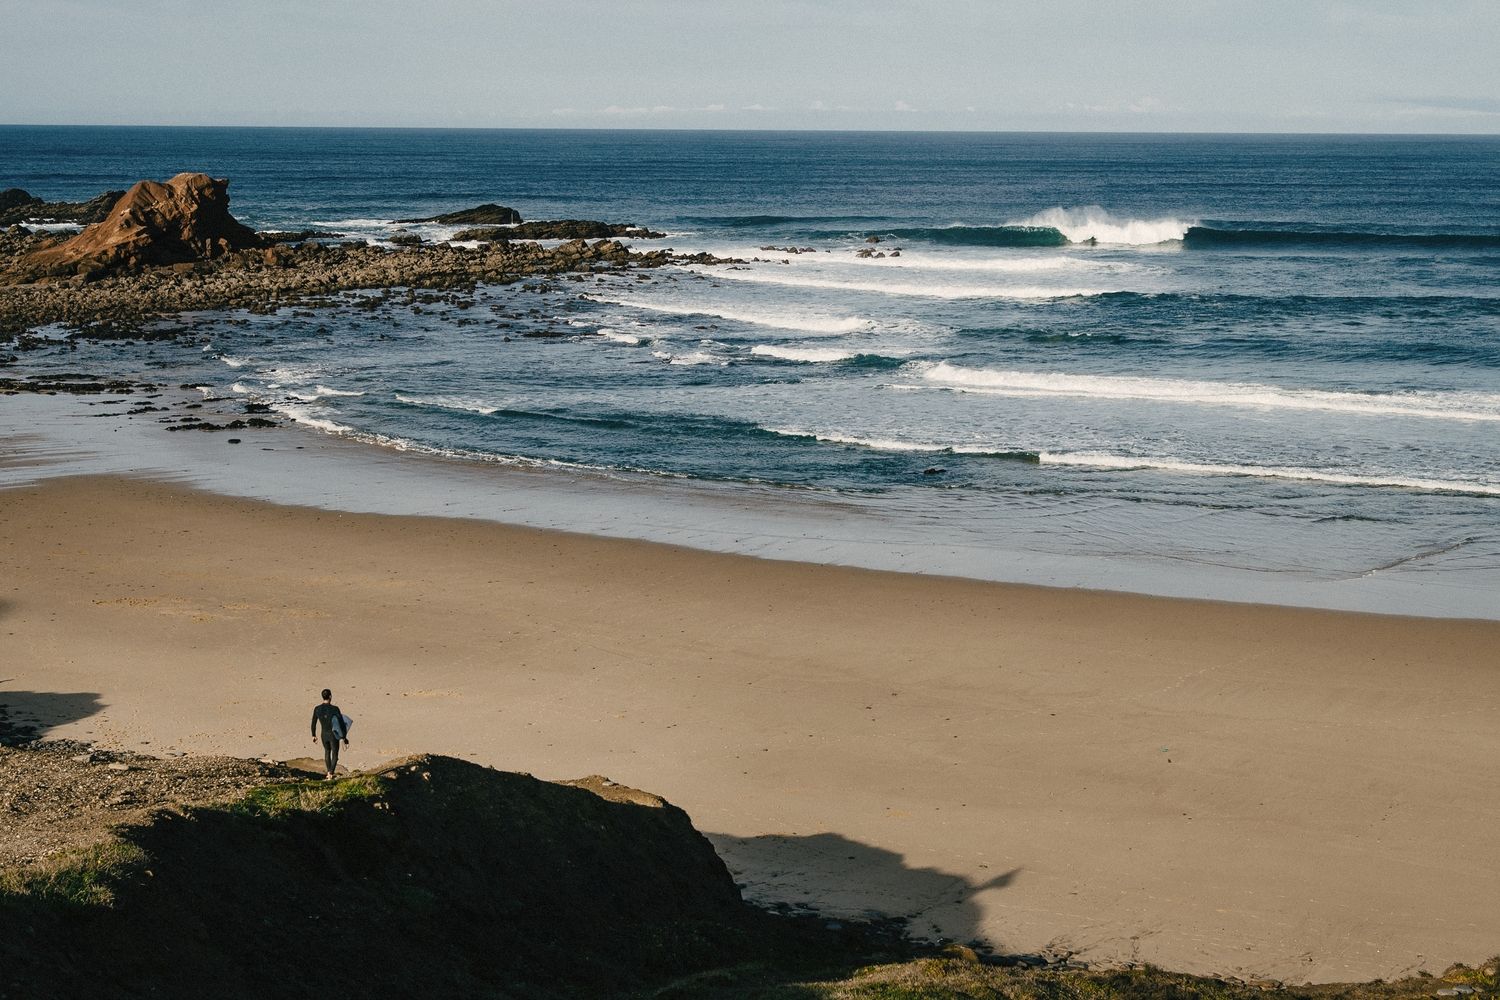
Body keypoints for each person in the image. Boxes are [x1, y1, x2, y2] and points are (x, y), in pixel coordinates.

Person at [310, 688, 348, 780]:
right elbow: (341, 723)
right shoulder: (335, 709)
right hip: (333, 735)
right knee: (335, 754)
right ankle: (331, 774)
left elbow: (313, 722)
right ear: (330, 696)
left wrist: (313, 735)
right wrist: (344, 737)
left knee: (327, 752)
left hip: (323, 734)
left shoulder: (317, 709)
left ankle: (328, 772)